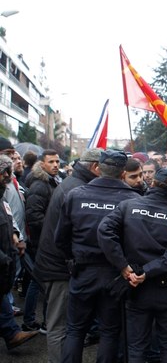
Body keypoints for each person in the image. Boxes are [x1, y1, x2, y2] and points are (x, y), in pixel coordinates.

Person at [55, 150, 141, 363]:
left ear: (99, 168)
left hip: (85, 271)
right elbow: (137, 243)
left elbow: (60, 238)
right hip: (114, 273)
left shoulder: (76, 195)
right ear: (123, 173)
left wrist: (73, 258)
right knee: (109, 331)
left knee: (75, 329)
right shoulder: (133, 199)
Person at [98, 168, 167, 363]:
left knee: (136, 347)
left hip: (135, 286)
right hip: (166, 289)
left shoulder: (128, 206)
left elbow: (104, 230)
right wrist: (146, 271)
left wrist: (124, 266)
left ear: (152, 183)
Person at [33, 148, 101, 363]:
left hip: (60, 265)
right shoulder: (76, 188)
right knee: (58, 325)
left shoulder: (75, 184)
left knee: (65, 324)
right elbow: (66, 235)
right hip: (58, 267)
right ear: (95, 167)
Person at [0, 154, 39, 350]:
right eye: (6, 171)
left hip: (9, 248)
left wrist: (16, 235)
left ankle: (11, 333)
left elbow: (9, 214)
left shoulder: (5, 190)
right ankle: (11, 333)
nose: (9, 175)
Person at [23, 149, 62, 333]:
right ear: (42, 164)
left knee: (38, 280)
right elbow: (33, 216)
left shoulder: (51, 181)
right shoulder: (40, 185)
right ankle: (35, 321)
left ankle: (34, 320)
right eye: (51, 162)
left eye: (57, 161)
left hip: (45, 241)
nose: (55, 165)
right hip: (41, 242)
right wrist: (52, 230)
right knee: (39, 281)